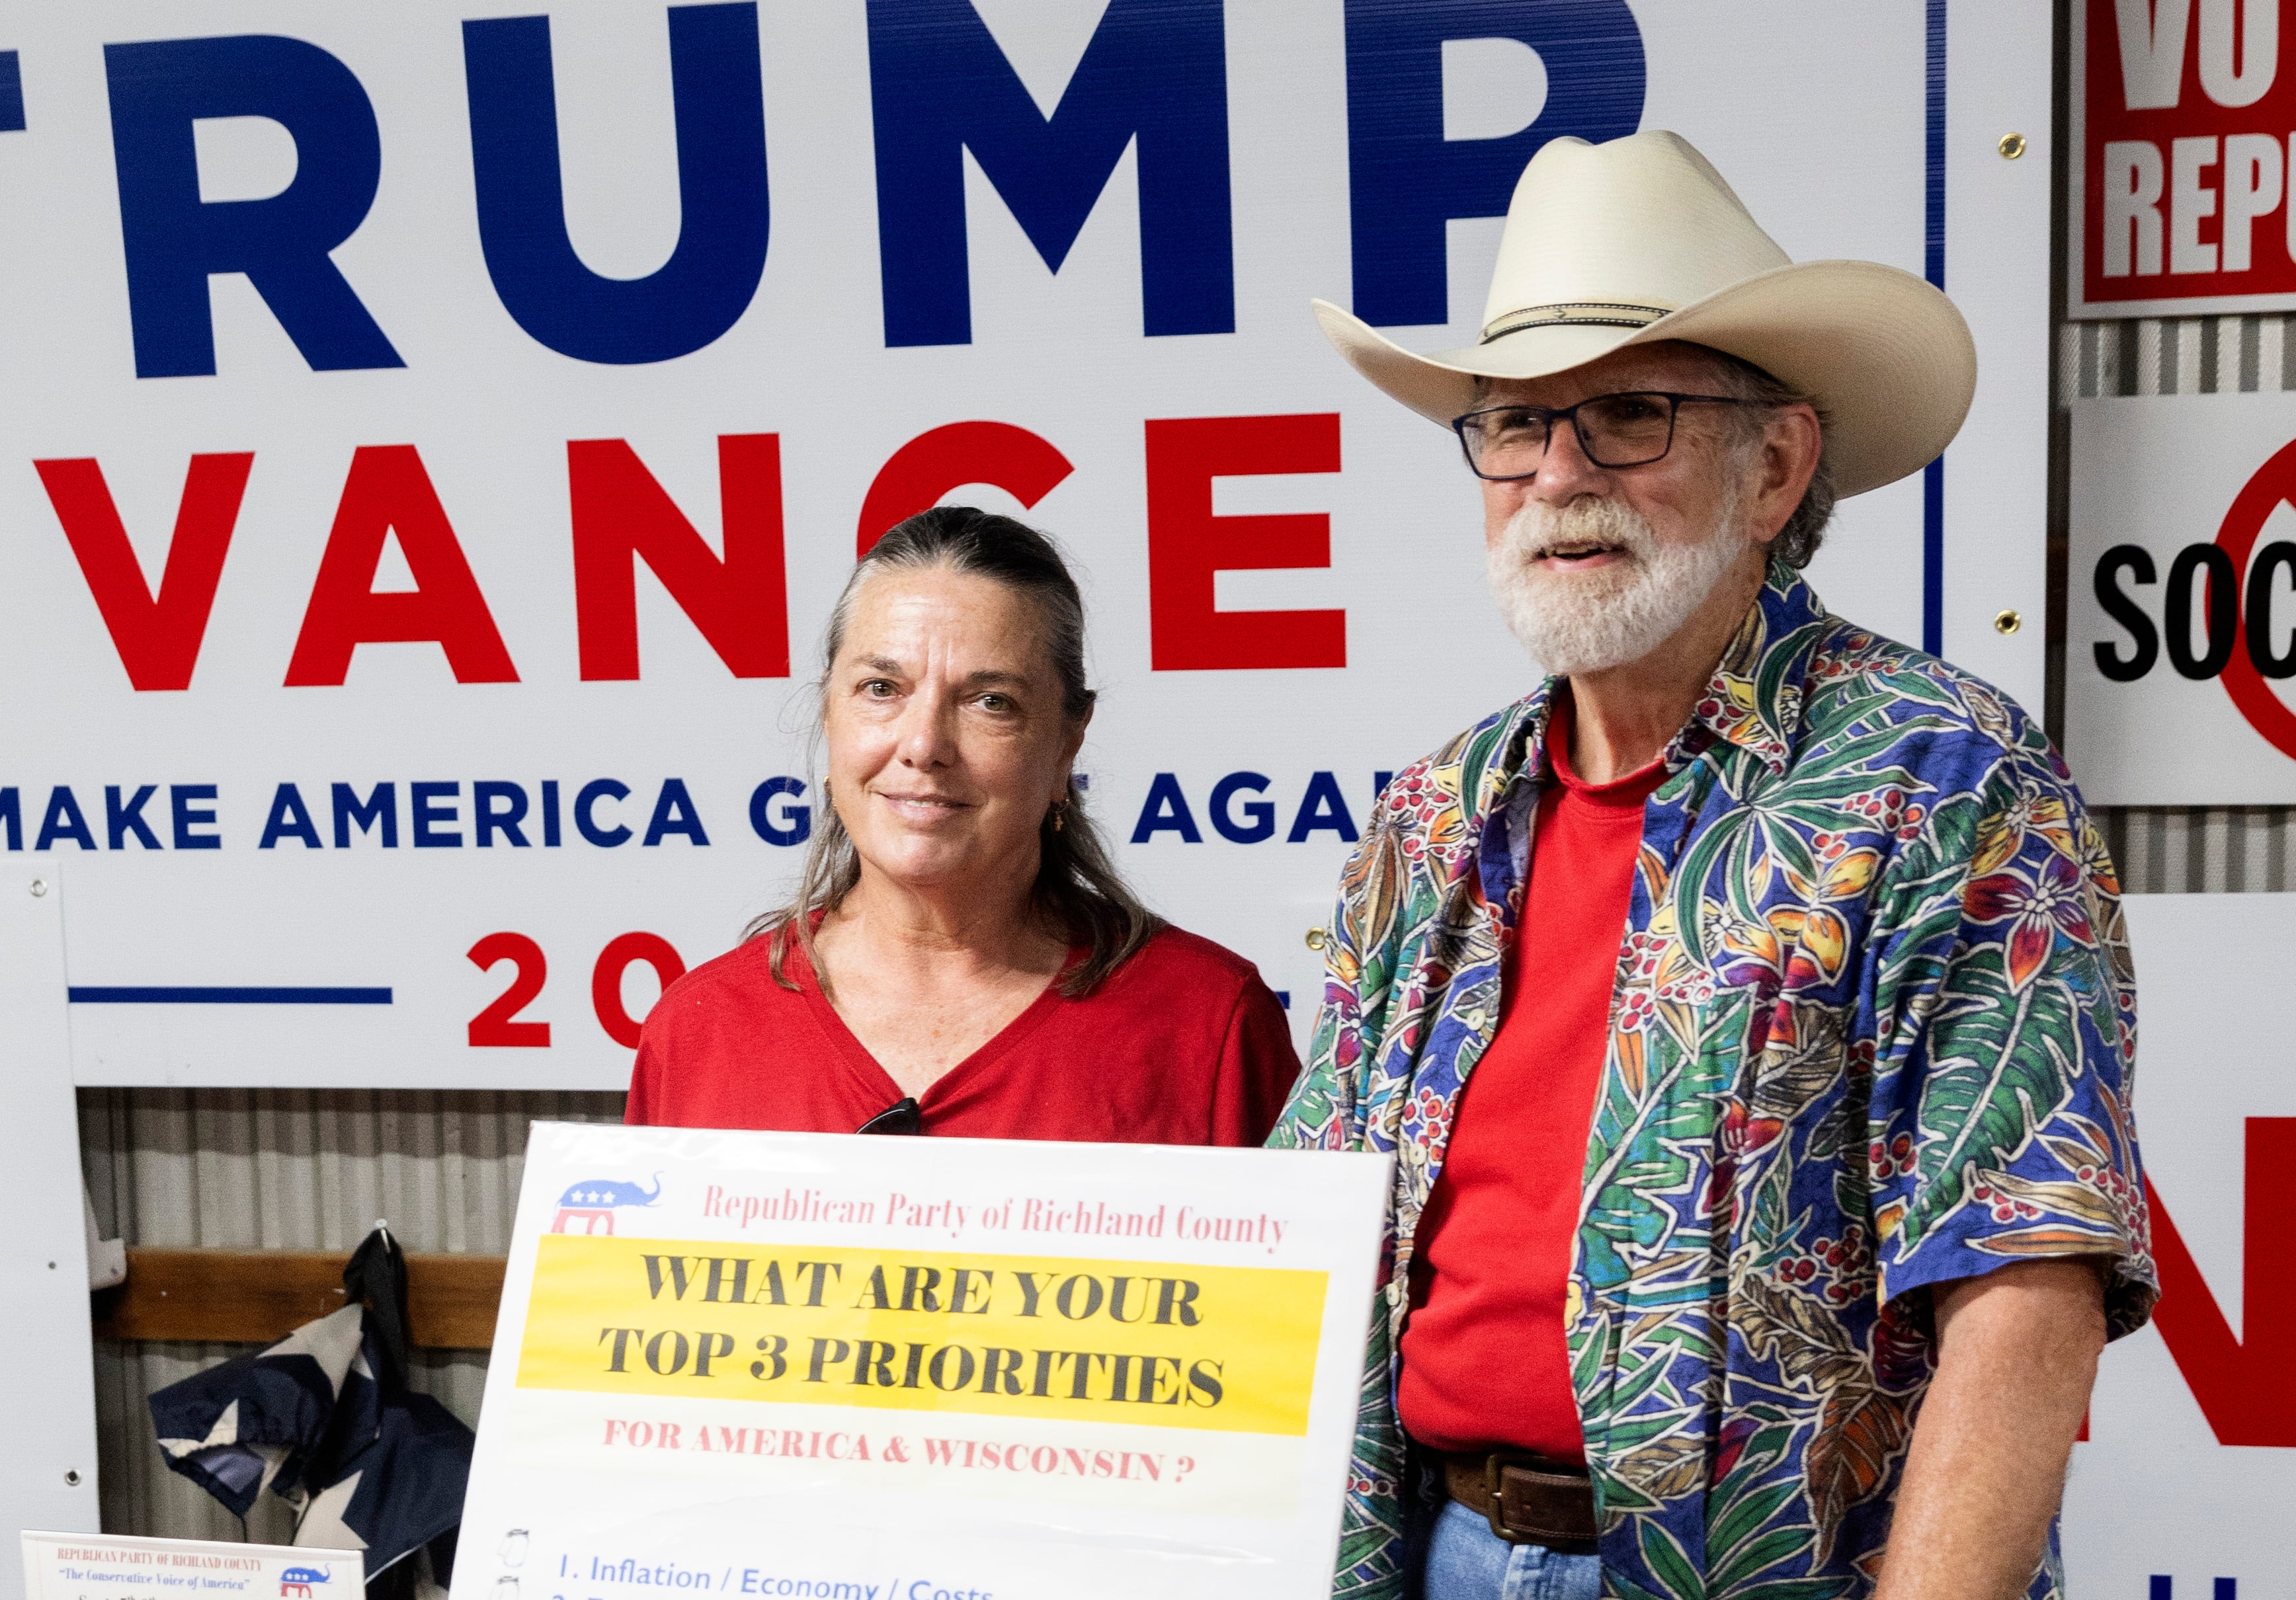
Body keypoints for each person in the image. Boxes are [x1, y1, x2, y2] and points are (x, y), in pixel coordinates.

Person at [1273, 132, 2154, 1600]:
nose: (1557, 475)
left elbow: (2025, 1279)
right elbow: (1314, 1240)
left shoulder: (1940, 775)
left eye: (1625, 415)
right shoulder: (1433, 816)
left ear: (1776, 466)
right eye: (1513, 424)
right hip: (1432, 1550)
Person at [628, 505, 1298, 1144]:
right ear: (829, 715)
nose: (924, 745)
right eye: (881, 689)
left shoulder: (1211, 1026)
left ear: (1068, 741)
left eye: (990, 701)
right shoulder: (698, 1032)